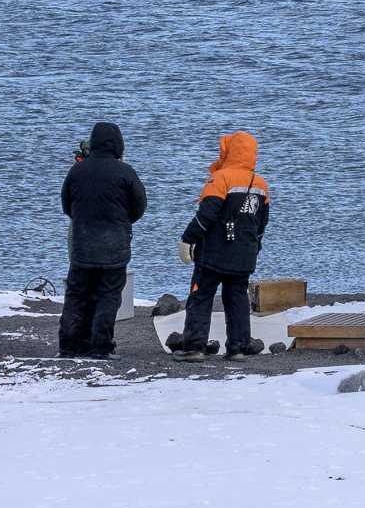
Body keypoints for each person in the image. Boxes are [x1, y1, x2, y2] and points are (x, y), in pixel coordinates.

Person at [170, 131, 270, 359]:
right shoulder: (261, 185)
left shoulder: (220, 179)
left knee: (201, 296)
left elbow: (206, 215)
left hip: (213, 254)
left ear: (228, 151)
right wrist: (254, 249)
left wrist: (187, 239)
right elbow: (262, 225)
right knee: (237, 299)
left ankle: (195, 347)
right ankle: (238, 348)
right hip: (244, 255)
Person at [58, 119, 147, 358]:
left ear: (94, 142)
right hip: (114, 246)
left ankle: (69, 346)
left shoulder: (77, 170)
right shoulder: (125, 172)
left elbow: (66, 205)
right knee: (108, 296)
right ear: (118, 145)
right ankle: (101, 347)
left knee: (76, 296)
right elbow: (140, 206)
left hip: (82, 245)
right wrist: (122, 222)